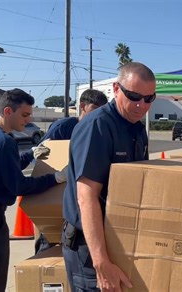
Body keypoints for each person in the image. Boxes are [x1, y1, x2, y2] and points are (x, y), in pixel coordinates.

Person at [62, 62, 156, 291]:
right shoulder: (98, 127)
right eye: (134, 96)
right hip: (90, 247)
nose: (141, 105)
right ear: (116, 89)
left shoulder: (136, 127)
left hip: (119, 238)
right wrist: (101, 262)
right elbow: (86, 198)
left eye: (149, 99)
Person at [0, 89, 68, 292]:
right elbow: (18, 186)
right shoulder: (4, 142)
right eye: (24, 115)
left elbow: (6, 167)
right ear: (8, 111)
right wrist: (55, 178)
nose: (29, 119)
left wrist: (32, 154)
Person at [33, 89, 108, 254]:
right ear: (83, 106)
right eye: (95, 108)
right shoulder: (65, 126)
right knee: (50, 235)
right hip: (56, 188)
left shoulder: (100, 128)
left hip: (81, 191)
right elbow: (45, 151)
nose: (98, 113)